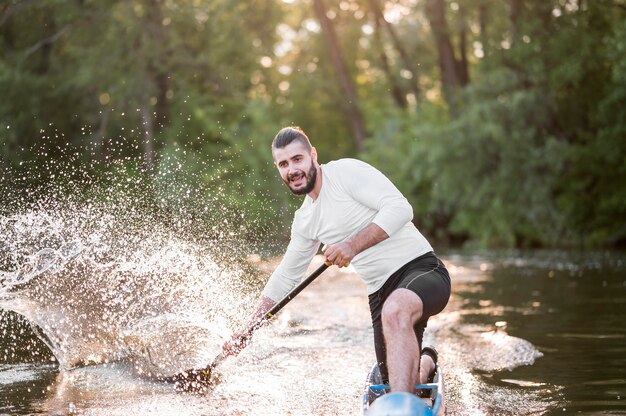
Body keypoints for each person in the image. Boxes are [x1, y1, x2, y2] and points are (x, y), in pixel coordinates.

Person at [224, 126, 451, 393]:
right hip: (380, 293)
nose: (292, 170)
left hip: (421, 270)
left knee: (395, 310)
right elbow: (286, 276)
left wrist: (352, 245)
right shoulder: (305, 220)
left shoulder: (345, 173)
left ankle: (401, 403)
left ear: (313, 155)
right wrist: (248, 328)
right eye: (283, 164)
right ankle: (425, 362)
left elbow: (400, 208)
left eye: (298, 159)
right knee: (398, 380)